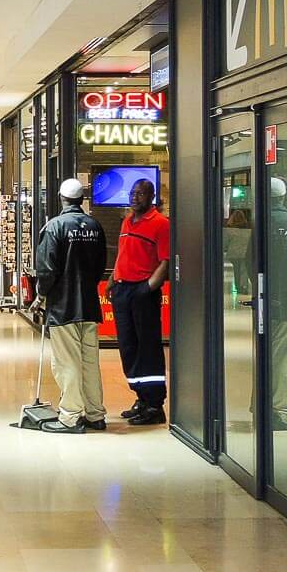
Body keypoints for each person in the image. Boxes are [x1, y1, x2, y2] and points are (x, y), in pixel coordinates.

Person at [34, 178, 108, 434]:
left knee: (67, 363)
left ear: (61, 198)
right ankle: (95, 413)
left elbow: (47, 270)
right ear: (81, 200)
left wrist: (40, 295)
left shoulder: (54, 227)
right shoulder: (95, 226)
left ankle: (70, 416)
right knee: (89, 361)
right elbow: (100, 266)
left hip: (63, 306)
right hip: (88, 305)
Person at [108, 178, 171, 426]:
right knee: (128, 346)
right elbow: (123, 253)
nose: (135, 197)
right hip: (122, 290)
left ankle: (155, 404)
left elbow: (165, 262)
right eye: (133, 193)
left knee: (148, 347)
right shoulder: (127, 221)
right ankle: (141, 398)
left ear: (151, 196)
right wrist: (113, 279)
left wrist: (147, 288)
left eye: (141, 193)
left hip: (142, 292)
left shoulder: (160, 224)